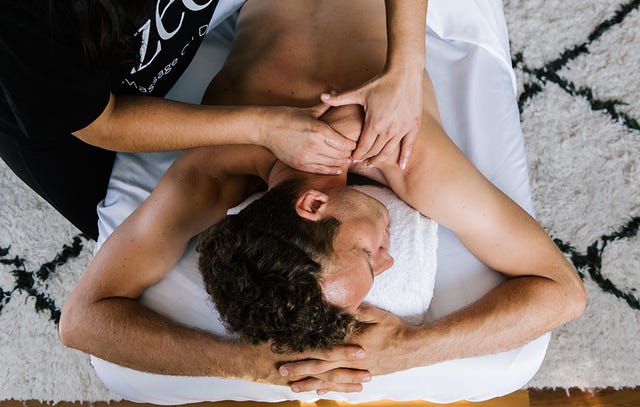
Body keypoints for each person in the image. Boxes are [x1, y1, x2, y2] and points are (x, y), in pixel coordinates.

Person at [59, 0, 586, 398]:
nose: (390, 256)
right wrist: (248, 360)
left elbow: (564, 292)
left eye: (366, 257)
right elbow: (82, 322)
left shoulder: (396, 150)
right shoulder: (216, 165)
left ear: (312, 206)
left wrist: (409, 349)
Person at [0, 0, 426, 239]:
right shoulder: (26, 25)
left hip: (163, 43)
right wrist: (263, 126)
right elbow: (103, 121)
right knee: (107, 220)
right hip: (77, 125)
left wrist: (405, 67)